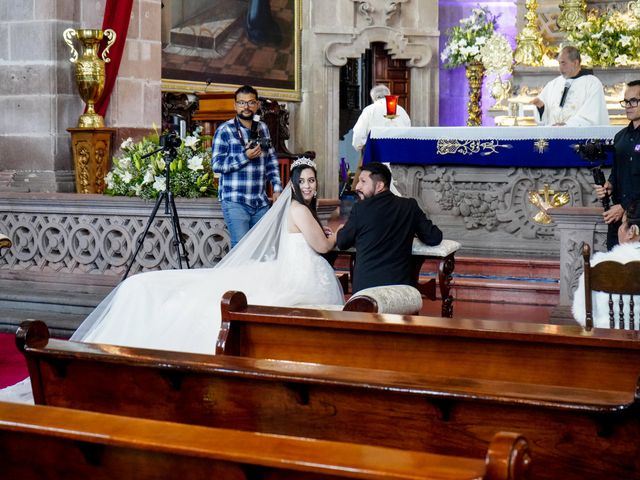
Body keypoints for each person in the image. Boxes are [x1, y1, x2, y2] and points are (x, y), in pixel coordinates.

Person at [0, 159, 343, 403]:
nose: (309, 186)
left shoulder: (298, 210)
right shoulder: (299, 210)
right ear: (294, 185)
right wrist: (334, 234)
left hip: (295, 270)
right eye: (304, 181)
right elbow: (324, 245)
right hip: (301, 275)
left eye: (313, 180)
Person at [336, 162, 443, 293]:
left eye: (363, 181)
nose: (357, 186)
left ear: (380, 185)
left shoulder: (361, 209)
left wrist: (340, 229)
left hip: (367, 293)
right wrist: (411, 230)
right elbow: (434, 237)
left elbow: (342, 242)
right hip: (401, 292)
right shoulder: (409, 206)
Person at [212, 85, 283, 247]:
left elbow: (271, 161)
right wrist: (245, 157)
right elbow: (217, 165)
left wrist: (277, 187)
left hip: (260, 201)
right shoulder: (224, 130)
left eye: (251, 102)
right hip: (235, 200)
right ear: (235, 105)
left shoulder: (263, 128)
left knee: (262, 247)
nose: (246, 107)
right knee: (241, 249)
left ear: (257, 105)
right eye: (242, 103)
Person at [572, 199, 640, 329]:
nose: (620, 229)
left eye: (622, 223)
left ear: (632, 231)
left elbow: (582, 313)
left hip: (609, 342)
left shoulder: (599, 264)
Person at [595, 80, 640, 250]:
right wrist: (610, 185)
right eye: (626, 101)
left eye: (634, 101)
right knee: (615, 263)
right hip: (617, 214)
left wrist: (624, 207)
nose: (628, 106)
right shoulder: (620, 137)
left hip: (636, 215)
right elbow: (617, 171)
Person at [351, 85, 411, 191]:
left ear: (373, 98)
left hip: (376, 156)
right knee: (397, 190)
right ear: (389, 95)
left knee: (376, 188)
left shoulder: (370, 110)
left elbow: (359, 134)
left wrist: (359, 146)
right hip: (399, 158)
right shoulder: (401, 110)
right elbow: (409, 133)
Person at [530, 46, 609, 126]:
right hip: (554, 135)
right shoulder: (553, 84)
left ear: (575, 63)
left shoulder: (592, 83)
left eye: (563, 63)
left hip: (579, 136)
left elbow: (591, 115)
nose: (560, 68)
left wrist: (567, 125)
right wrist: (541, 108)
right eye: (559, 63)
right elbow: (543, 118)